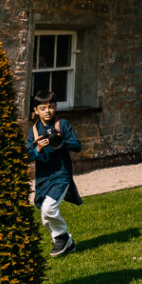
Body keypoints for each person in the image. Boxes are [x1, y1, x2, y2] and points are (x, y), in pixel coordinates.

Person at [27, 94, 82, 258]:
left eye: (50, 107)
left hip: (61, 174)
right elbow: (27, 155)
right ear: (36, 111)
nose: (47, 111)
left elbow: (77, 146)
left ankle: (62, 237)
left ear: (55, 107)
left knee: (49, 208)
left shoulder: (62, 125)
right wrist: (38, 149)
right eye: (43, 108)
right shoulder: (34, 131)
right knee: (44, 214)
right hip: (44, 176)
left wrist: (61, 142)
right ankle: (65, 243)